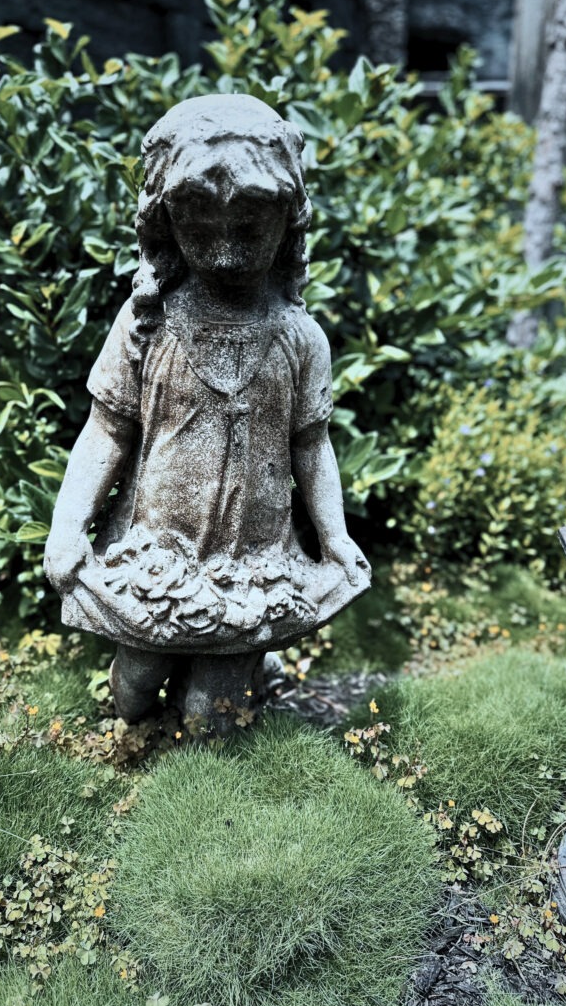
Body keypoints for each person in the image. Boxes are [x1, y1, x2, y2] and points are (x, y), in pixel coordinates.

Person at [44, 94, 370, 733]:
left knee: (208, 715)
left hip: (252, 561)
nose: (224, 253)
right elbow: (107, 430)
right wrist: (68, 526)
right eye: (200, 229)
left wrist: (334, 538)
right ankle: (138, 742)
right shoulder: (147, 324)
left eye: (249, 229)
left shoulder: (299, 337)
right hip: (156, 557)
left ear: (287, 225)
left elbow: (311, 444)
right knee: (134, 688)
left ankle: (224, 720)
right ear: (165, 225)